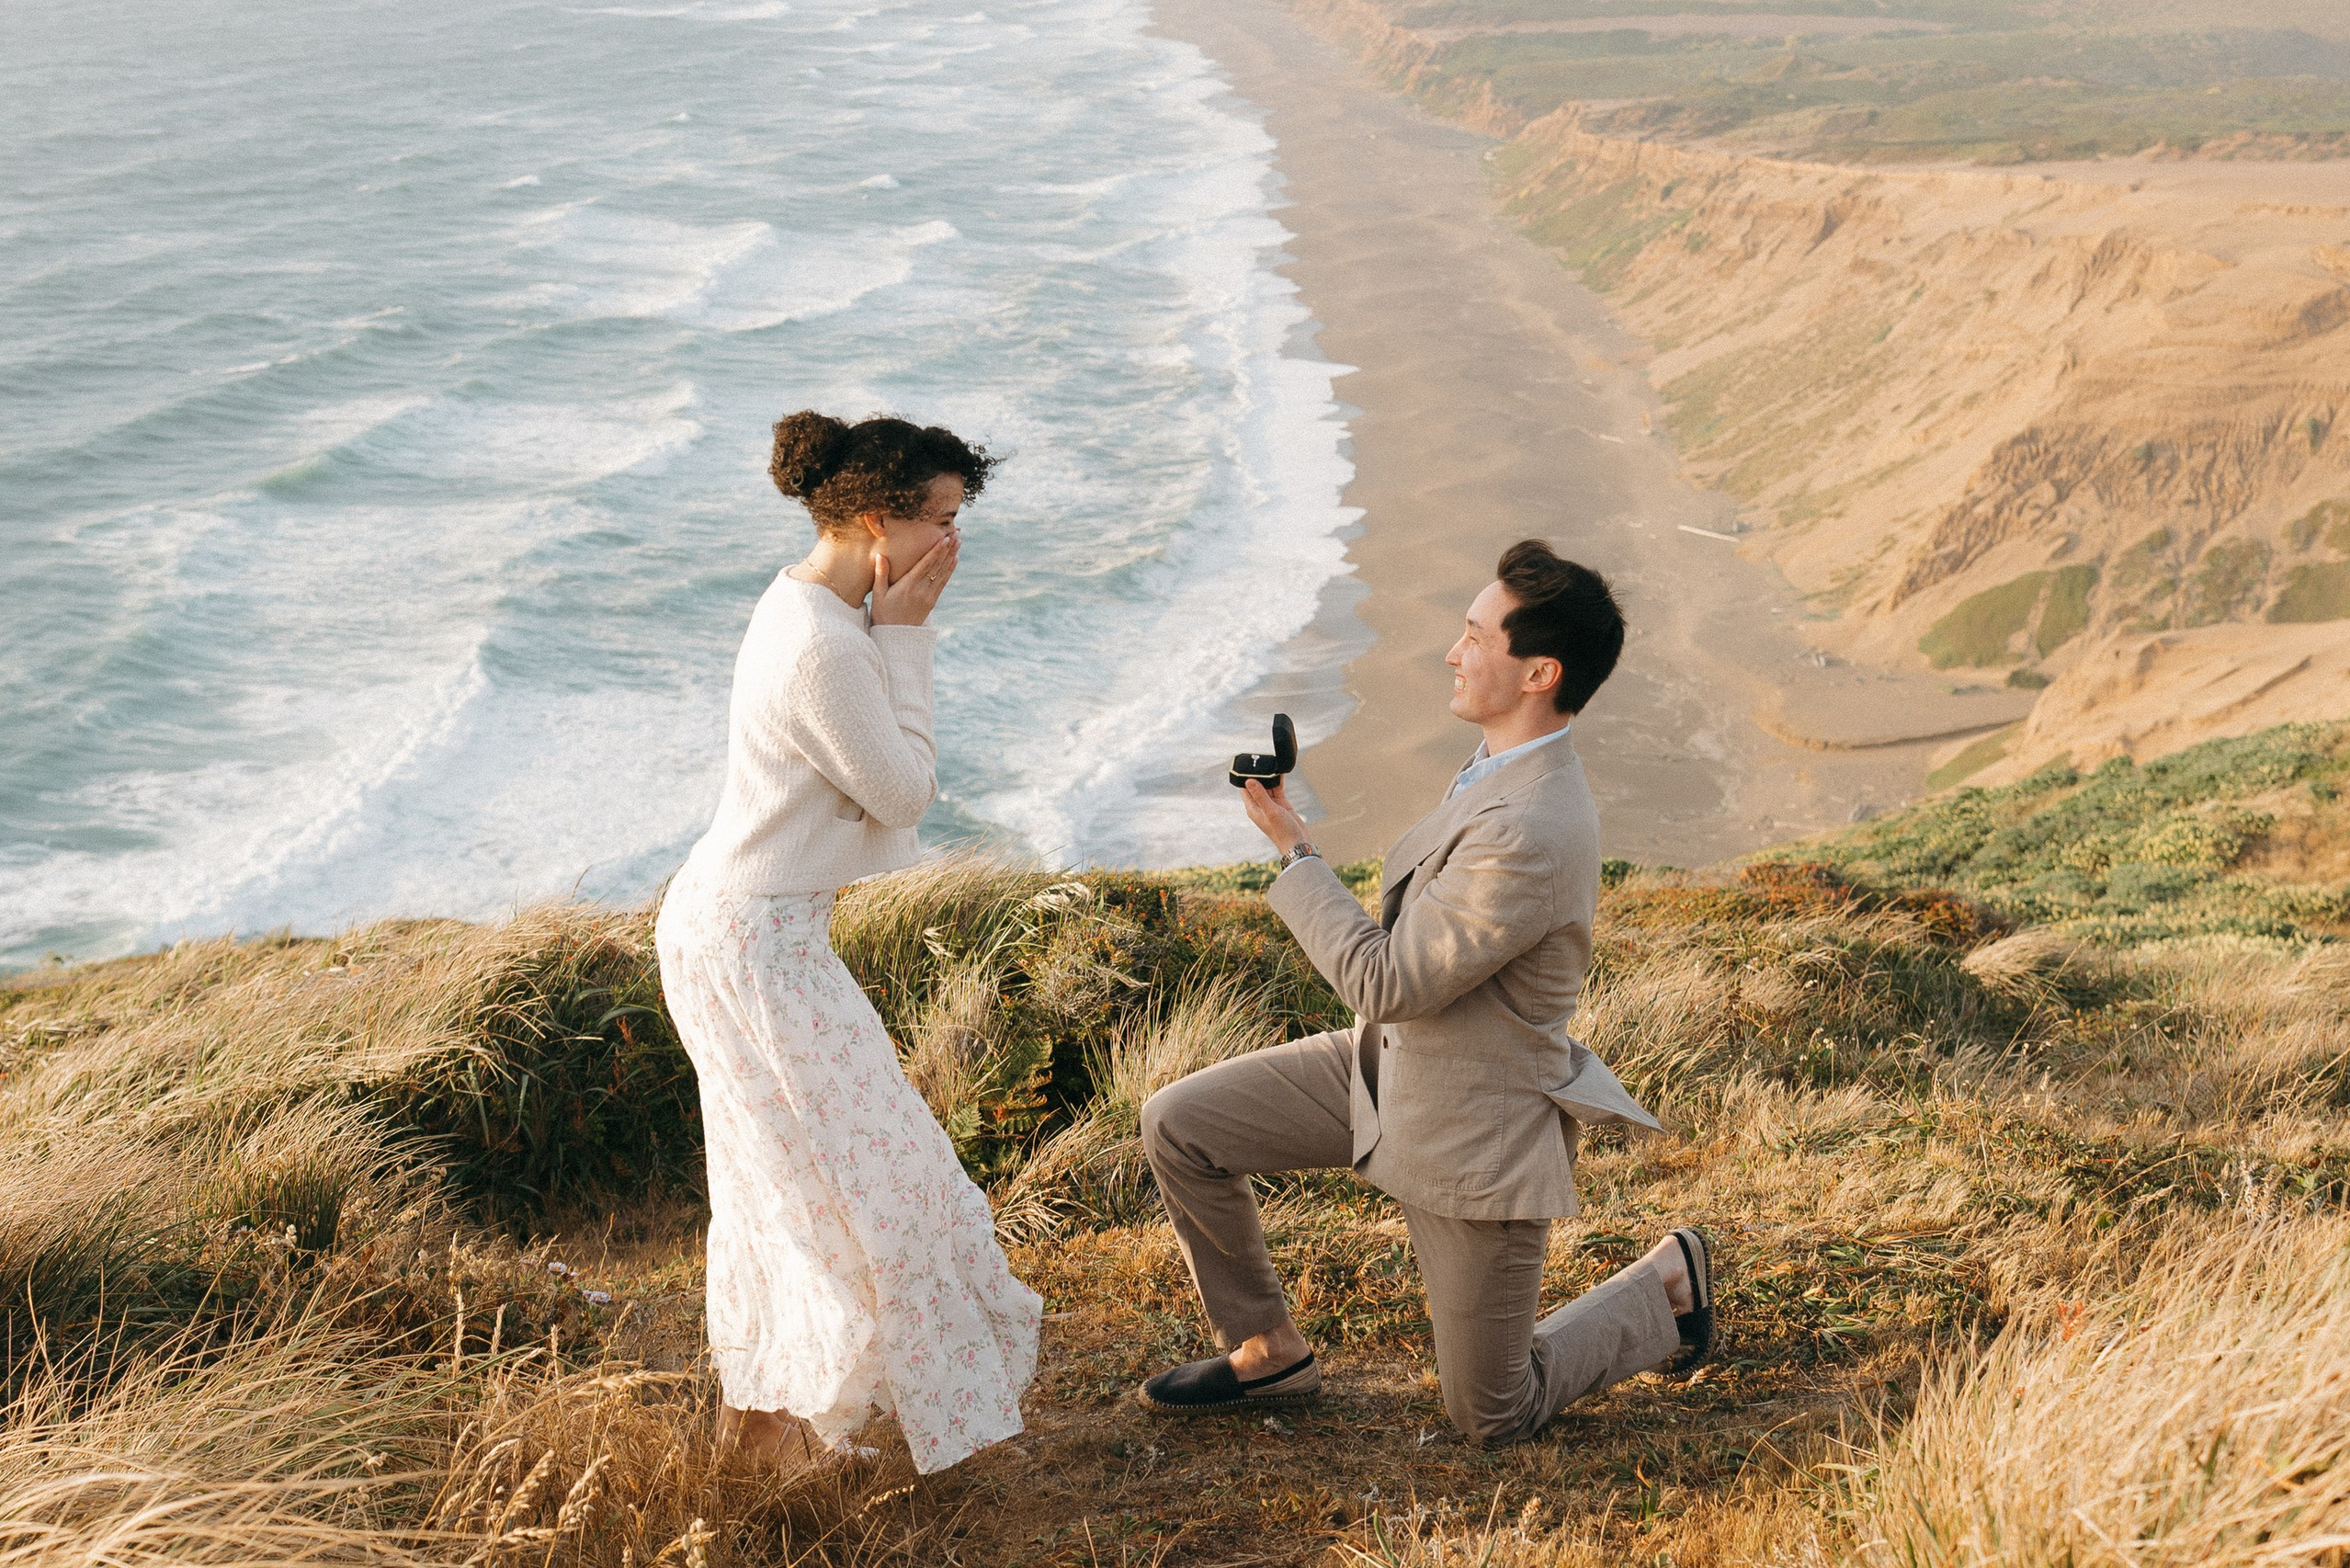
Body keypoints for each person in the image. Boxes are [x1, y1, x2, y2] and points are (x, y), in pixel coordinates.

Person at [1137, 540, 1714, 1439]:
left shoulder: (1532, 822)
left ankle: (1667, 1287)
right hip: (1385, 1069)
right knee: (1180, 1124)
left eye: (1475, 635)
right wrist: (1291, 827)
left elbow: (1387, 978)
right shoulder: (1498, 767)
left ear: (1539, 672)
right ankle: (1266, 1350)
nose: (1453, 650)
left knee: (1491, 1410)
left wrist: (1296, 854)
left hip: (1471, 1126)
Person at [656, 408, 1041, 1476]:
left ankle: (778, 1447)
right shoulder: (826, 646)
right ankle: (779, 1450)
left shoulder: (807, 611)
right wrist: (906, 639)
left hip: (744, 930)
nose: (952, 547)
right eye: (943, 520)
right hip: (752, 944)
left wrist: (886, 634)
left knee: (800, 1189)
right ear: (878, 518)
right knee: (863, 1186)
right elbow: (903, 792)